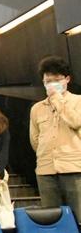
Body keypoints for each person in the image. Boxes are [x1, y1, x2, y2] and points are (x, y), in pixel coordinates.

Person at [30, 56, 81, 220]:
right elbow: (35, 140)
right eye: (48, 81)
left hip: (74, 168)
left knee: (79, 217)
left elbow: (75, 122)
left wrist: (58, 99)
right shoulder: (37, 108)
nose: (51, 84)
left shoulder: (78, 101)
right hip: (46, 171)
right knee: (53, 220)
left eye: (56, 80)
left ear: (67, 79)